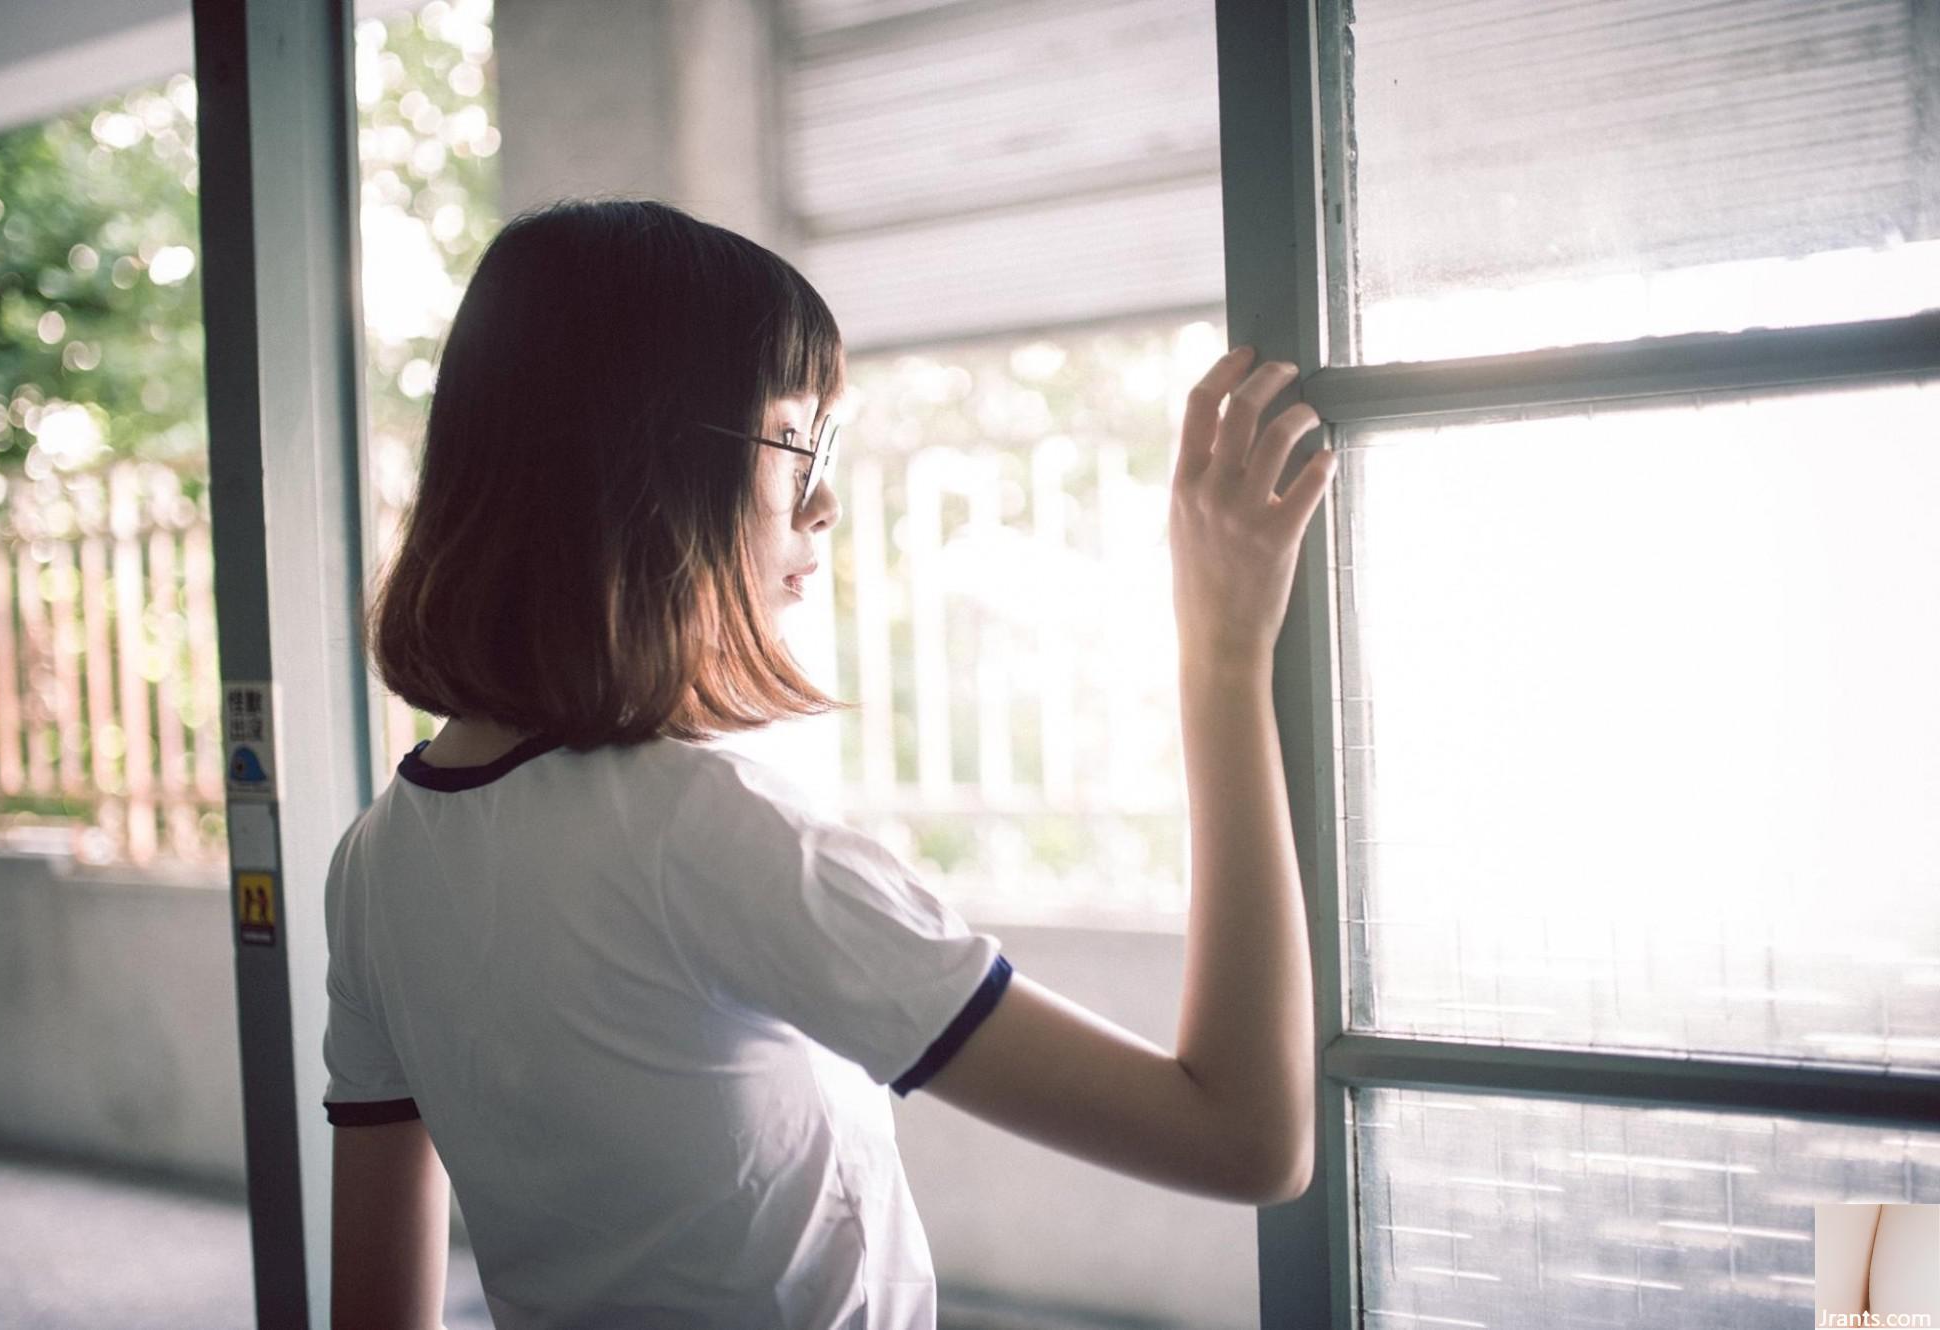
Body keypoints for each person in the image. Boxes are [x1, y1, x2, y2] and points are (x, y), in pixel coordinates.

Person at [323, 196, 1336, 1330]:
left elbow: (369, 1306)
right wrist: (1224, 655)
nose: (825, 498)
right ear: (648, 462)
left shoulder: (376, 860)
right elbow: (1242, 1137)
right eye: (798, 436)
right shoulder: (706, 831)